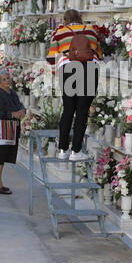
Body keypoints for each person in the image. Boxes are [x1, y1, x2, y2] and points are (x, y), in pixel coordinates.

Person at [47, 9, 102, 161]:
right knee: (82, 112)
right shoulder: (90, 31)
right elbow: (98, 53)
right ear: (80, 19)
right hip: (89, 69)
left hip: (68, 69)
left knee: (68, 110)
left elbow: (51, 57)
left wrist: (56, 73)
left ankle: (63, 149)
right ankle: (76, 152)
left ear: (65, 20)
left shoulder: (60, 33)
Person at [0, 70, 25, 194]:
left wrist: (22, 110)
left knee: (2, 158)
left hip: (10, 129)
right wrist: (12, 114)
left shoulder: (12, 93)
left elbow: (19, 104)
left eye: (8, 78)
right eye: (4, 79)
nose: (8, 80)